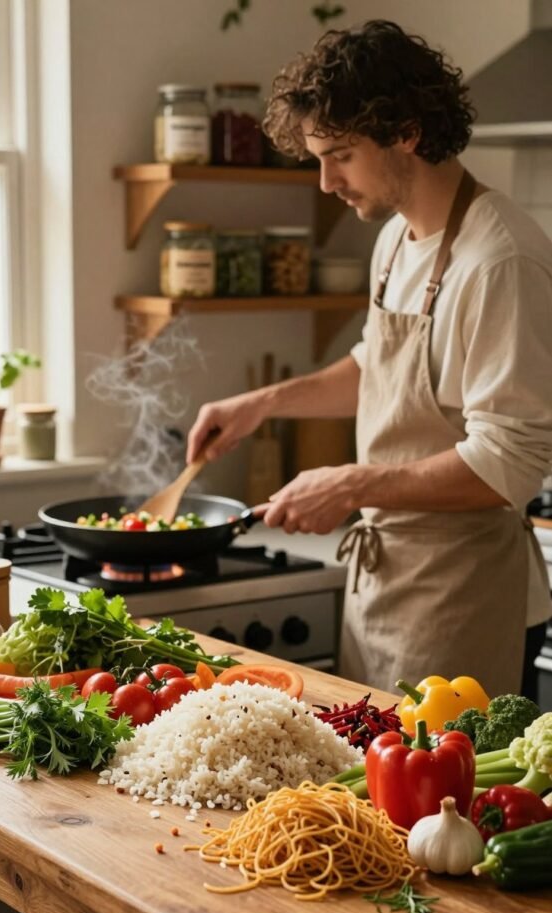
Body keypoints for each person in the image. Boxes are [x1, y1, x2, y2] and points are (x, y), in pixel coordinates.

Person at [187, 20, 552, 698]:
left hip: (465, 594)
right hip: (384, 579)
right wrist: (260, 405)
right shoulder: (394, 240)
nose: (325, 183)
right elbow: (376, 367)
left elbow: (508, 463)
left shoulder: (500, 260)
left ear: (406, 132)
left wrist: (351, 484)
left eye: (340, 156)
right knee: (363, 801)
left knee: (441, 805)